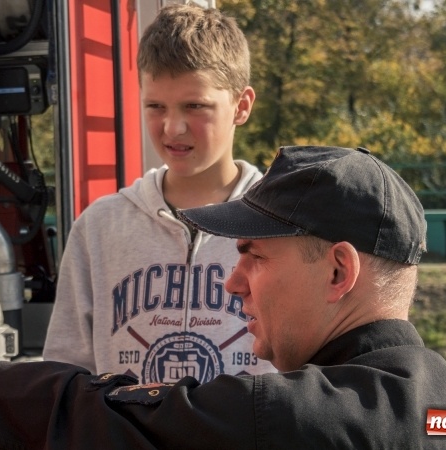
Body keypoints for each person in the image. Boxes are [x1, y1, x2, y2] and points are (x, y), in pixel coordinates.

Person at [0, 146, 446, 449]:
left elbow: (95, 417)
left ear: (339, 272)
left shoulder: (292, 418)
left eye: (254, 257)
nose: (233, 281)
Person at [41, 3, 276, 383]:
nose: (173, 127)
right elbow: (64, 375)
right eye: (155, 106)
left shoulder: (284, 223)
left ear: (241, 106)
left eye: (195, 106)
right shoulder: (99, 227)